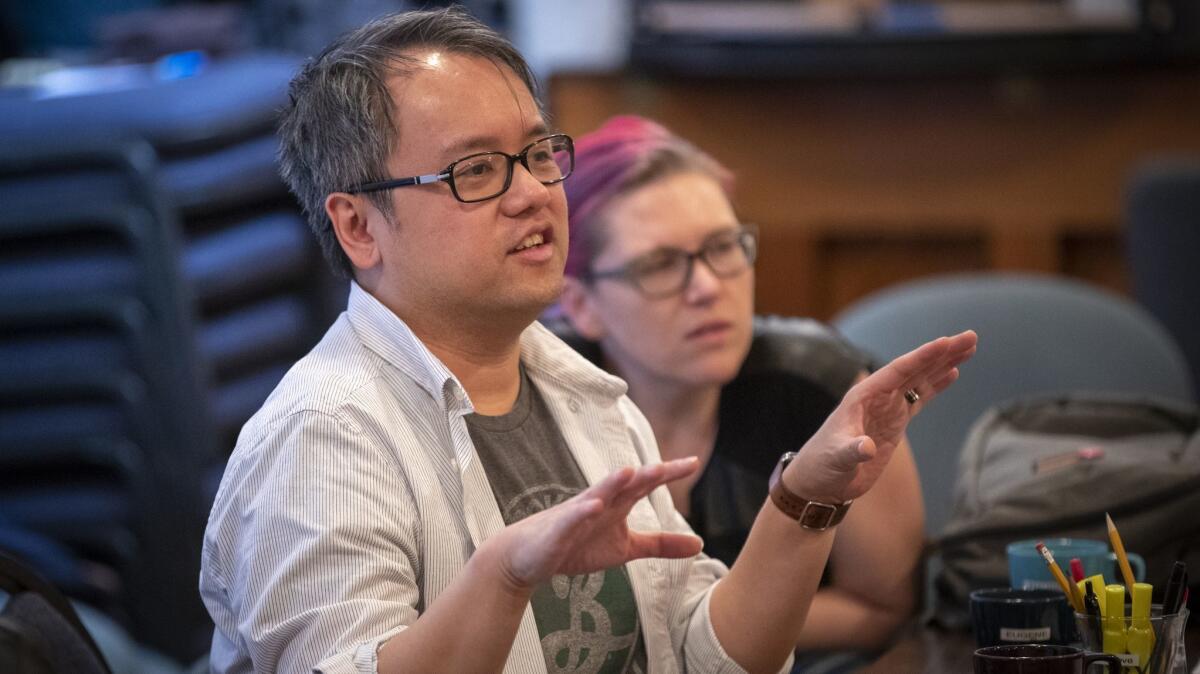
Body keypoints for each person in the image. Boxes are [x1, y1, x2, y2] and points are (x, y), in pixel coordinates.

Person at [199, 7, 977, 674]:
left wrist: (805, 495)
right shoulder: (322, 435)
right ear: (359, 225)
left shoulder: (577, 387)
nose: (534, 192)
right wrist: (504, 576)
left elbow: (701, 654)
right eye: (476, 171)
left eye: (538, 155)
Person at [554, 116, 925, 663]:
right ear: (583, 304)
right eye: (659, 264)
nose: (707, 287)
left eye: (723, 247)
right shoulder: (539, 395)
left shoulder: (822, 385)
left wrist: (694, 631)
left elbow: (882, 610)